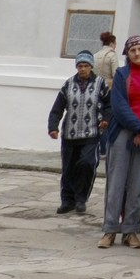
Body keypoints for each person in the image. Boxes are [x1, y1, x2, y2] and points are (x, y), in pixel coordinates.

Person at [98, 35, 140, 249]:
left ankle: (130, 231)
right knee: (116, 184)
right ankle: (110, 229)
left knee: (138, 185)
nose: (137, 53)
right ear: (127, 54)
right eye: (133, 50)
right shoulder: (122, 74)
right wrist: (139, 127)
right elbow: (119, 106)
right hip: (123, 133)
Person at [48, 50, 110, 214]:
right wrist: (53, 127)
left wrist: (106, 119)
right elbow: (58, 108)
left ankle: (81, 198)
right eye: (80, 66)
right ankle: (67, 201)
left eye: (86, 66)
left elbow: (109, 104)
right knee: (68, 169)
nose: (83, 69)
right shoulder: (68, 84)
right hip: (70, 134)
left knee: (87, 164)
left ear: (91, 66)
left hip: (91, 134)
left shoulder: (100, 83)